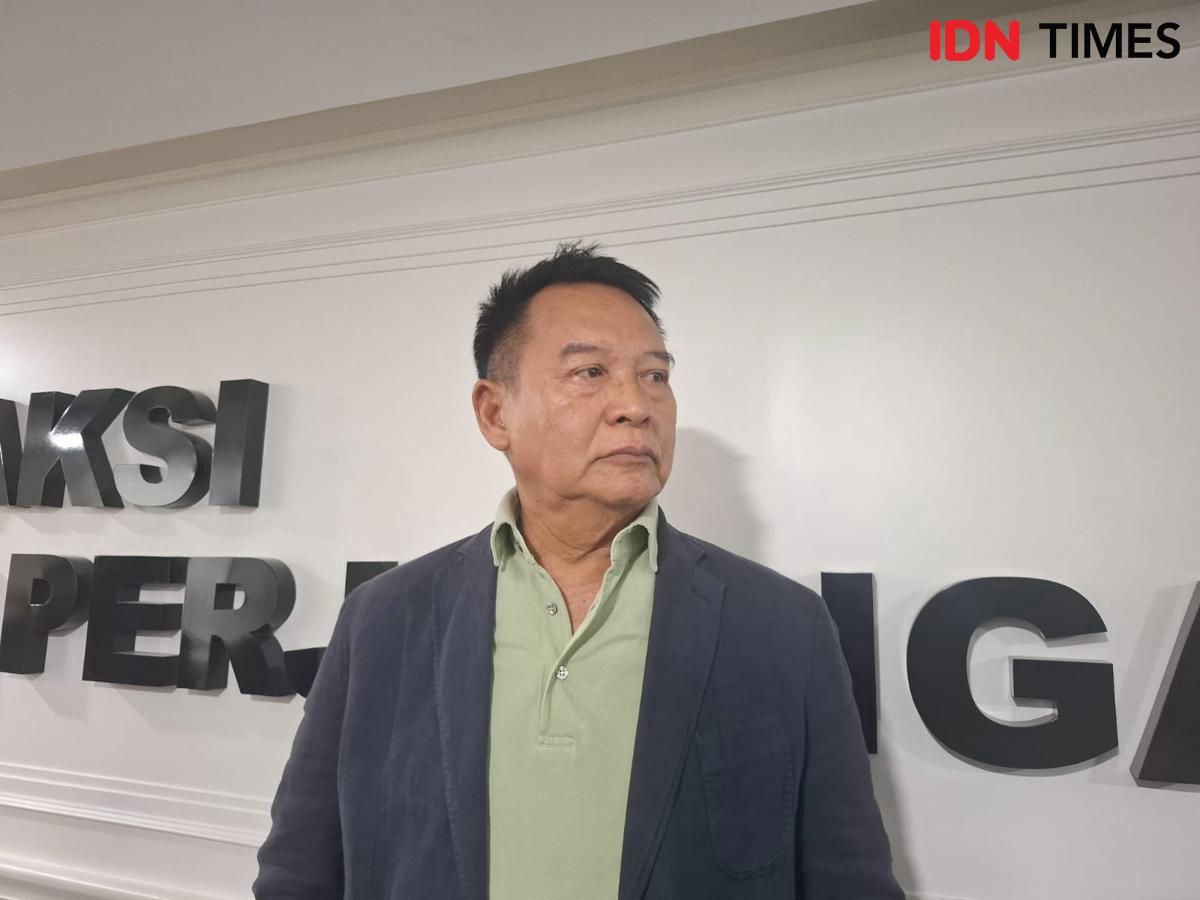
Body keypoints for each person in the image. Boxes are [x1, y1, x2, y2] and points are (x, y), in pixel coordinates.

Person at [253, 241, 904, 899]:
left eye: (655, 376)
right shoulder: (384, 616)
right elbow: (299, 870)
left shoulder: (781, 625)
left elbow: (850, 880)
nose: (636, 405)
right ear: (495, 413)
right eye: (590, 372)